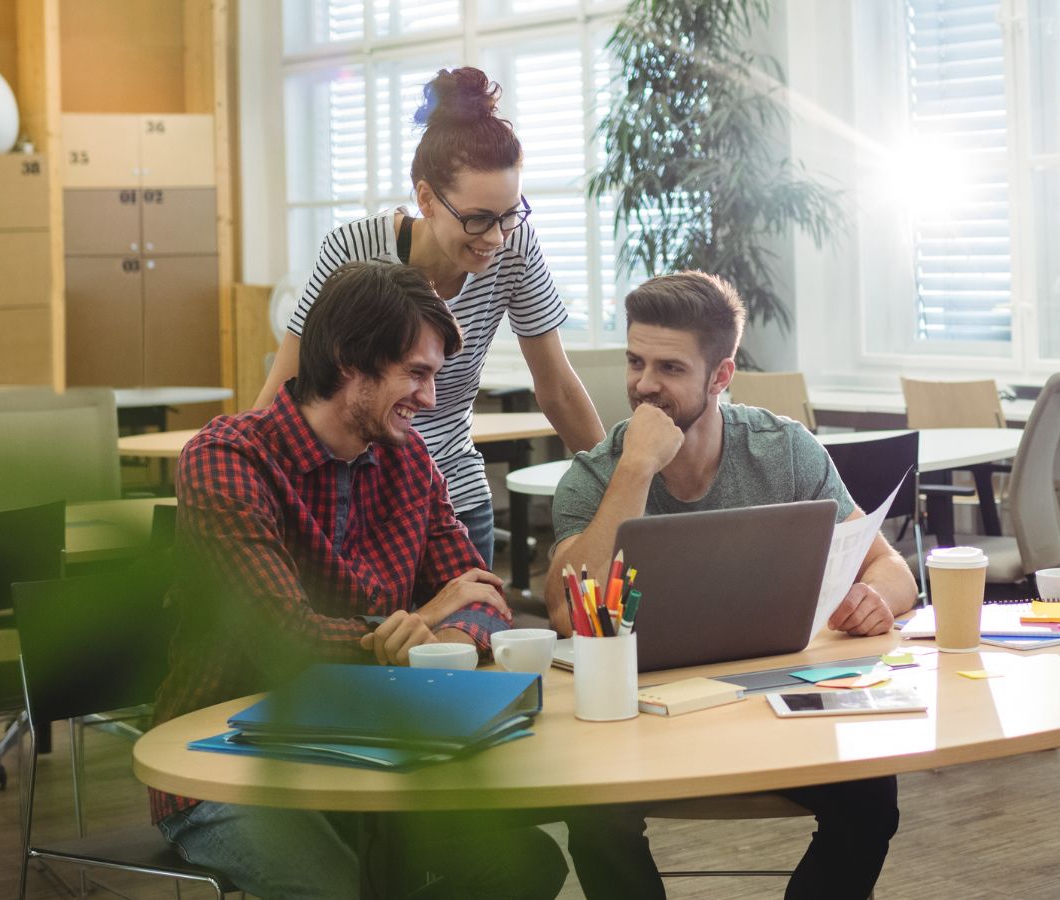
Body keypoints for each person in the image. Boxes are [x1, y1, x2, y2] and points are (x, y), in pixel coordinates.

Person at [153, 259, 566, 900]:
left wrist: (444, 627)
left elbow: (484, 598)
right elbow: (283, 640)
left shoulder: (407, 458)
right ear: (350, 361)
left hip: (370, 745)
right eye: (417, 374)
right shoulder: (228, 459)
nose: (430, 399)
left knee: (525, 863)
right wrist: (427, 620)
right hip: (225, 762)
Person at [546, 271, 916, 900]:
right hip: (641, 717)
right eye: (635, 362)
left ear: (721, 376)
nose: (643, 385)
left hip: (772, 705)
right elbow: (563, 612)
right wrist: (634, 471)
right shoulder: (595, 476)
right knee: (594, 811)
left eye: (669, 367)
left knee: (872, 798)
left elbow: (893, 570)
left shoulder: (784, 452)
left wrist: (874, 598)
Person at [256, 66, 605, 567]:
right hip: (351, 498)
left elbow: (558, 387)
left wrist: (615, 485)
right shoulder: (356, 248)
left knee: (471, 635)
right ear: (426, 199)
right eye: (478, 219)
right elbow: (287, 386)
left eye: (510, 214)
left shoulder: (515, 246)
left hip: (453, 495)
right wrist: (244, 476)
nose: (496, 238)